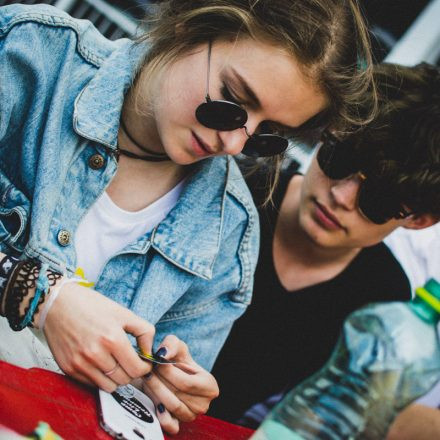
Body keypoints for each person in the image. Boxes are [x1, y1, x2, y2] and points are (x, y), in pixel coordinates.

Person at [0, 0, 374, 433]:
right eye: (233, 101)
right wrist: (41, 297)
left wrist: (162, 392)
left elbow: (127, 415)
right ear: (191, 25)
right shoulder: (31, 54)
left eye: (266, 135)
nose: (234, 144)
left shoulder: (229, 236)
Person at [209, 62, 440, 432]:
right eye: (341, 157)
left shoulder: (382, 302)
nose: (341, 195)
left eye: (378, 197)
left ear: (417, 220)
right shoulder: (228, 191)